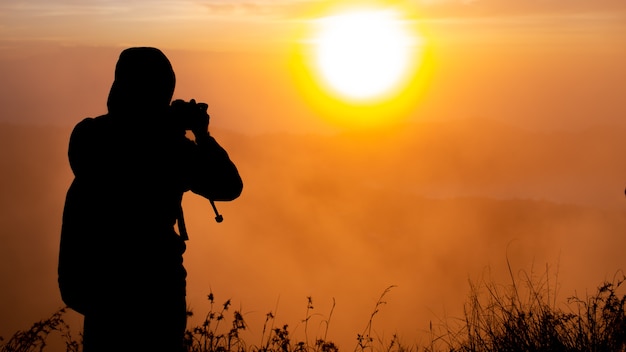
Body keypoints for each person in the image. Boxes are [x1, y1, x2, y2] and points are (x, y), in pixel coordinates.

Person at [58, 47, 243, 352]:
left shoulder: (90, 135)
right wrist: (202, 134)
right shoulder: (170, 149)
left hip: (101, 288)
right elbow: (228, 185)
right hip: (155, 290)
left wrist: (165, 124)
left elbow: (122, 144)